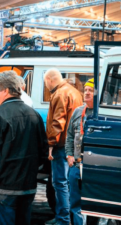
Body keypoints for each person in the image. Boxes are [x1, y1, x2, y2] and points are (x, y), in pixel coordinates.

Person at [0, 70, 48, 225]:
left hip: (3, 185)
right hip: (27, 186)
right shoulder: (34, 115)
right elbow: (43, 152)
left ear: (6, 90)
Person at [44, 68, 83, 225]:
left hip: (61, 145)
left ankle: (62, 219)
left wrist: (51, 143)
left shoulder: (60, 94)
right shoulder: (74, 92)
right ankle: (69, 218)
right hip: (73, 145)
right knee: (69, 183)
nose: (46, 86)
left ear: (50, 80)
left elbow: (58, 122)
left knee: (59, 183)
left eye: (45, 82)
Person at [65, 78, 94, 225]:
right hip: (76, 165)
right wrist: (69, 155)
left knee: (93, 205)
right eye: (86, 90)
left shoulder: (100, 113)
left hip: (93, 167)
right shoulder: (78, 111)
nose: (87, 93)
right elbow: (69, 134)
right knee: (74, 203)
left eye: (91, 90)